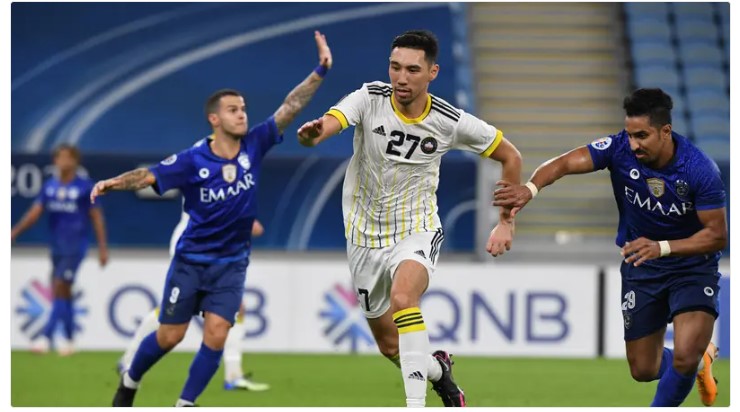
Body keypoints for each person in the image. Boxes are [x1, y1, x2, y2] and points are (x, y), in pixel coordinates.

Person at [92, 30, 332, 407]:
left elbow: (290, 106)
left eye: (243, 108)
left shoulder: (255, 143)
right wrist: (113, 183)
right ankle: (131, 380)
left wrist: (320, 71)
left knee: (218, 334)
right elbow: (148, 176)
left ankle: (185, 403)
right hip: (191, 261)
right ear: (214, 119)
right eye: (233, 110)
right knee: (170, 336)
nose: (242, 114)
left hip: (231, 263)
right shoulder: (192, 160)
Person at [297, 30, 521, 407]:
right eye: (395, 67)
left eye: (412, 70)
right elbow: (330, 123)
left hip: (416, 229)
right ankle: (439, 372)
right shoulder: (370, 98)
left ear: (432, 72)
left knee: (404, 298)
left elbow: (510, 156)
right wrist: (313, 136)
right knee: (390, 346)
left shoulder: (448, 121)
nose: (401, 78)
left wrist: (506, 221)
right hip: (364, 238)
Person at [492, 88, 724, 407]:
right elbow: (565, 162)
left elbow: (717, 235)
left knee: (684, 355)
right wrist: (531, 188)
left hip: (691, 267)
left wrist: (662, 247)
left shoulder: (699, 169)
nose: (633, 144)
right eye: (630, 134)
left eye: (641, 136)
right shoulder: (619, 149)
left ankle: (691, 358)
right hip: (642, 265)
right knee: (643, 369)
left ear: (665, 131)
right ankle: (702, 357)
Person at [117, 216, 269, 392]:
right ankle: (129, 360)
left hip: (210, 244)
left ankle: (233, 374)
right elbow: (215, 207)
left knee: (235, 307)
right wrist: (243, 222)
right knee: (173, 311)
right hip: (194, 243)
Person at [12, 144, 109, 356]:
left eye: (68, 157)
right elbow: (34, 213)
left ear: (75, 161)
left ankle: (46, 337)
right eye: (60, 157)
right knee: (63, 291)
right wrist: (15, 231)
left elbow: (97, 217)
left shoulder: (85, 187)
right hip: (56, 246)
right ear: (55, 161)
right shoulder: (50, 186)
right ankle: (70, 338)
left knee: (59, 286)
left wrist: (103, 247)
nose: (64, 161)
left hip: (76, 245)